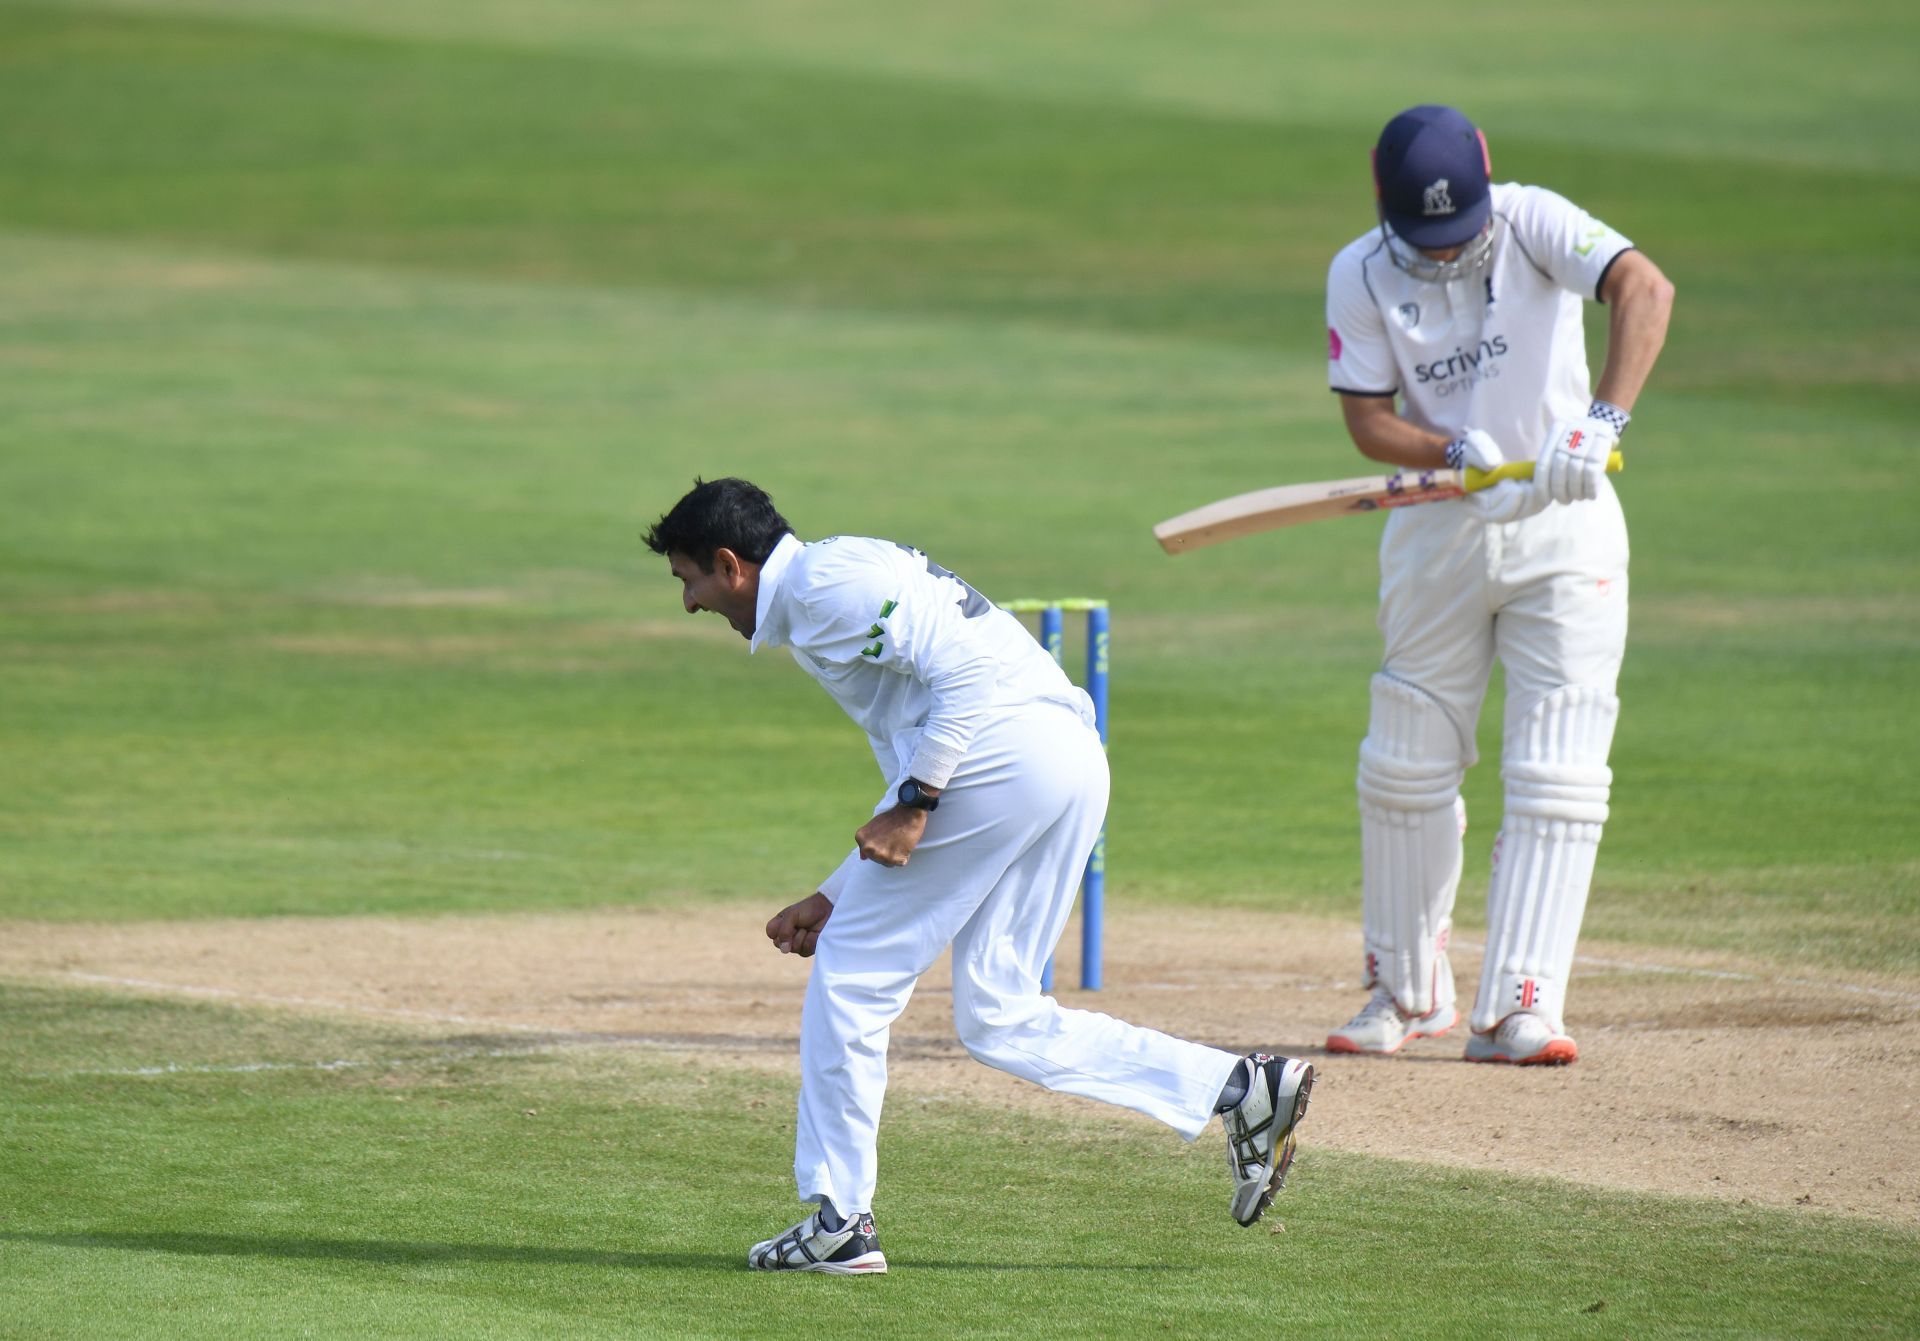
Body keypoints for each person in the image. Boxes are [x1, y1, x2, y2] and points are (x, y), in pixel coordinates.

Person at [644, 477, 1313, 1273]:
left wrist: (919, 802)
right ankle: (1240, 1087)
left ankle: (840, 1220)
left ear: (731, 565)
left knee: (854, 978)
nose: (689, 602)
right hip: (1057, 757)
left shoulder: (826, 588)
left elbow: (966, 683)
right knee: (999, 1013)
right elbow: (914, 749)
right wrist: (838, 888)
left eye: (688, 579)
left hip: (1005, 753)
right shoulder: (826, 587)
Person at [1320, 105, 1674, 1065]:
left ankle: (1523, 1002)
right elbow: (1366, 421)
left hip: (1567, 516)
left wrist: (1602, 420)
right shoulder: (1359, 271)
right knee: (1404, 757)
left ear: (1486, 184)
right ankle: (1404, 991)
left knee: (1558, 765)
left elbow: (1645, 287)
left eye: (1460, 231)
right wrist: (1448, 447)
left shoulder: (1534, 218)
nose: (1446, 254)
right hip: (1439, 524)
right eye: (1425, 238)